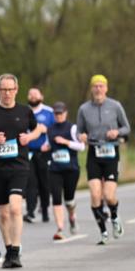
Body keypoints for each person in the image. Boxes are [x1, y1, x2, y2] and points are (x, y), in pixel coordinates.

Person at [0, 74, 44, 268]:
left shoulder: (24, 110)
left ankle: (15, 251)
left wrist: (29, 138)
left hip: (19, 166)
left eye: (10, 89)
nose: (7, 93)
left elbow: (39, 129)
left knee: (15, 208)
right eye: (3, 89)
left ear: (16, 89)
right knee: (2, 214)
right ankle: (8, 248)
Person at [76, 75, 131, 245]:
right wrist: (82, 136)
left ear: (106, 88)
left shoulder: (115, 106)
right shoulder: (84, 109)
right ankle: (103, 231)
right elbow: (79, 132)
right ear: (92, 89)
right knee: (95, 195)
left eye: (101, 86)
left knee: (108, 195)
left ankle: (114, 216)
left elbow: (127, 127)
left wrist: (117, 133)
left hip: (111, 153)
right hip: (94, 152)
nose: (98, 89)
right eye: (95, 86)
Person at [47, 102, 83, 240]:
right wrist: (45, 147)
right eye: (56, 113)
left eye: (61, 113)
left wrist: (66, 142)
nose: (58, 116)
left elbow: (81, 147)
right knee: (56, 198)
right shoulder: (50, 129)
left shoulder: (73, 128)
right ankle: (60, 229)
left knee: (69, 200)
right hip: (55, 169)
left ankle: (72, 217)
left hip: (71, 169)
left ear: (66, 113)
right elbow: (48, 143)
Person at [24, 88, 55, 223]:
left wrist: (47, 138)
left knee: (44, 182)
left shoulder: (49, 112)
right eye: (30, 94)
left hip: (44, 152)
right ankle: (30, 212)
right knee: (30, 182)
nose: (33, 97)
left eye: (35, 94)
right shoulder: (23, 111)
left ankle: (45, 210)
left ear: (41, 96)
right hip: (28, 152)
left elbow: (55, 130)